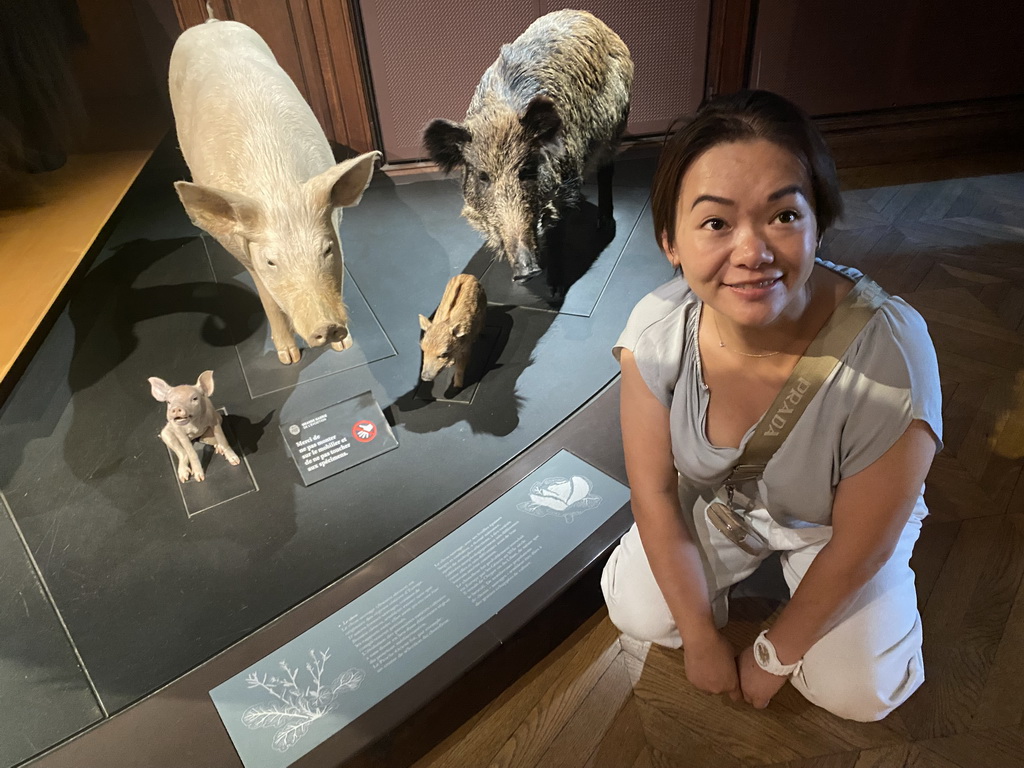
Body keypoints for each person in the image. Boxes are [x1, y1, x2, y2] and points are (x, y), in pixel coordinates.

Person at [600, 90, 942, 722]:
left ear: (819, 221)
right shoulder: (657, 334)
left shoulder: (890, 354)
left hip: (835, 528)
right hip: (727, 508)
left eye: (783, 216)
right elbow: (651, 491)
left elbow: (859, 547)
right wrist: (702, 639)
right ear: (670, 241)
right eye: (715, 223)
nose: (753, 253)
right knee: (638, 609)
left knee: (857, 693)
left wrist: (771, 657)